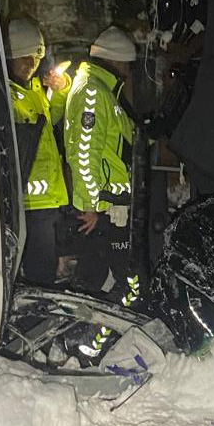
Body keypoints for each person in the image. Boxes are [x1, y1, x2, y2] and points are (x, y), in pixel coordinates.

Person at [64, 25, 139, 305]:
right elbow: (85, 154)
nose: (129, 73)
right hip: (103, 208)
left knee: (102, 277)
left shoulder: (101, 91)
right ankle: (85, 338)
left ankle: (84, 338)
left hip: (110, 205)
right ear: (117, 61)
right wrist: (91, 206)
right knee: (115, 278)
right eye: (128, 66)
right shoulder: (93, 94)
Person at [6, 18, 71, 284]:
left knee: (44, 270)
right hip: (28, 205)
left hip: (47, 202)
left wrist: (61, 89)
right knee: (36, 274)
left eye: (35, 57)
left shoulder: (34, 89)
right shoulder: (5, 94)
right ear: (9, 56)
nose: (30, 65)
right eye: (24, 58)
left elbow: (53, 117)